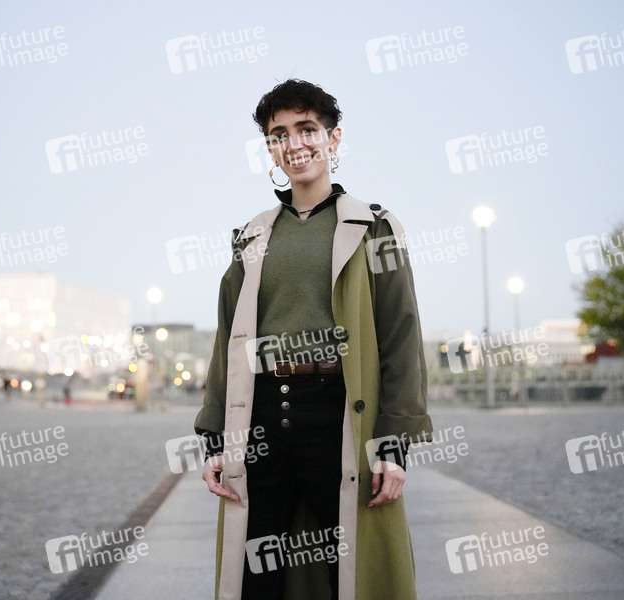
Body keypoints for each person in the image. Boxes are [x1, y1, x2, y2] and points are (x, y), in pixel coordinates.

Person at [194, 79, 433, 600]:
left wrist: (394, 444)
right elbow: (227, 338)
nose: (294, 144)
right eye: (278, 134)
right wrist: (214, 438)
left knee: (346, 571)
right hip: (260, 418)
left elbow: (400, 337)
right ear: (270, 149)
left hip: (339, 415)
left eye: (307, 129)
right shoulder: (253, 235)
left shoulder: (374, 228)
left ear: (333, 138)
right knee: (256, 573)